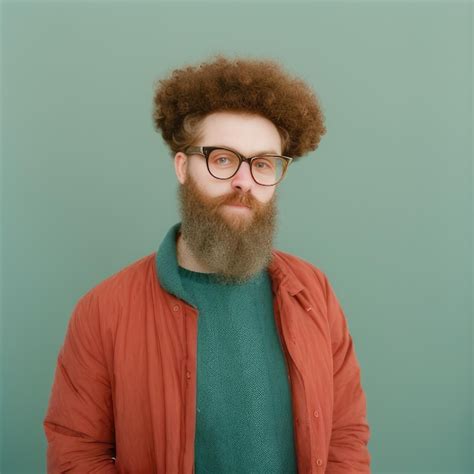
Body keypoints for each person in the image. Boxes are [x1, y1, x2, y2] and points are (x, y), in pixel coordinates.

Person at [43, 54, 371, 473]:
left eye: (263, 164)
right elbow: (77, 452)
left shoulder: (313, 292)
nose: (243, 181)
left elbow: (345, 433)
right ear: (183, 167)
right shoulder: (103, 311)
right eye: (222, 159)